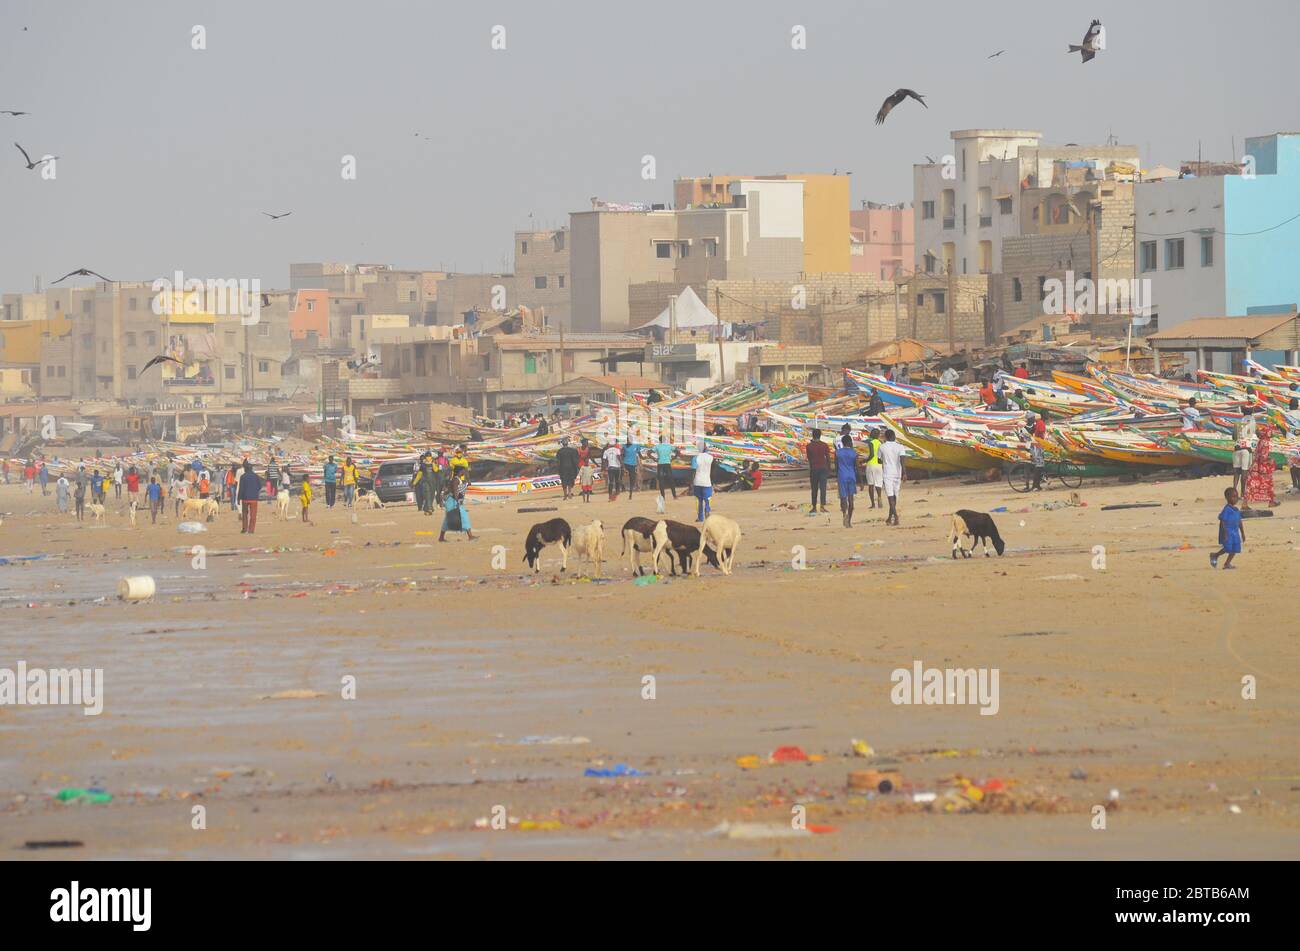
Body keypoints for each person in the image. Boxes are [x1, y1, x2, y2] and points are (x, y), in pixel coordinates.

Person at [1209, 486, 1244, 569]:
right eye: (1233, 496)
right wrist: (1224, 533)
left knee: (1235, 549)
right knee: (1228, 548)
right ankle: (1215, 555)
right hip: (1228, 532)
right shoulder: (1227, 509)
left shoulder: (1236, 509)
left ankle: (1227, 563)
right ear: (1227, 498)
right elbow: (1223, 521)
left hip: (1235, 532)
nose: (1236, 499)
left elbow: (1239, 521)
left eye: (1236, 496)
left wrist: (1242, 533)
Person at [1244, 424, 1278, 508]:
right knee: (1268, 484)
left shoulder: (1260, 441)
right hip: (1263, 468)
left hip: (1256, 466)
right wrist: (1271, 460)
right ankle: (1271, 502)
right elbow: (1264, 456)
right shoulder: (1266, 442)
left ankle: (1245, 503)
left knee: (1251, 485)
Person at [878, 429, 906, 526]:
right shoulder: (900, 446)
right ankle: (890, 518)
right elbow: (902, 460)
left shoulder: (882, 447)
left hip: (887, 473)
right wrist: (905, 473)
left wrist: (885, 461)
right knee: (895, 496)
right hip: (897, 473)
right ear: (894, 436)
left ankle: (895, 517)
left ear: (886, 437)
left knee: (890, 497)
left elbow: (879, 460)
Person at [438, 476, 474, 542]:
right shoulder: (454, 479)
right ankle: (470, 536)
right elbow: (454, 491)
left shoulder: (452, 479)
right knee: (463, 516)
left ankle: (441, 537)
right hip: (453, 501)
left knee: (448, 519)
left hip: (451, 501)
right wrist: (457, 502)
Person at [835, 434, 860, 528]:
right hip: (851, 476)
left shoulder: (838, 452)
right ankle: (849, 520)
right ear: (850, 442)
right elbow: (857, 467)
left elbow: (837, 467)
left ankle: (844, 514)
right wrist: (861, 481)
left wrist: (837, 477)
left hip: (842, 476)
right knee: (851, 500)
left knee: (843, 498)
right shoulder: (854, 452)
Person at [805, 428, 831, 514]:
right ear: (820, 435)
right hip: (823, 468)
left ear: (813, 435)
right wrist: (829, 469)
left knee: (814, 488)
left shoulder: (809, 446)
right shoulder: (824, 445)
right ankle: (822, 506)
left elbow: (809, 458)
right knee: (823, 488)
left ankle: (814, 507)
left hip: (814, 468)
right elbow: (828, 458)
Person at [1231, 408, 1256, 496]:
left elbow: (1233, 437)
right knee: (1244, 472)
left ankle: (1234, 492)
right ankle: (1242, 493)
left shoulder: (1238, 423)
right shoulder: (1253, 423)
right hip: (1246, 449)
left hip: (1237, 448)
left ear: (1243, 414)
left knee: (1236, 472)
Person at [691, 442, 714, 522]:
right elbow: (712, 469)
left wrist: (691, 483)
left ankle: (700, 517)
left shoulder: (695, 458)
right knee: (708, 498)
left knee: (698, 500)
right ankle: (707, 511)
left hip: (697, 481)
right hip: (707, 481)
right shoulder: (711, 457)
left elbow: (693, 471)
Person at [238, 461, 262, 534]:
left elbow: (241, 488)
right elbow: (260, 486)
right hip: (254, 498)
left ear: (246, 469)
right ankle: (251, 530)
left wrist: (238, 498)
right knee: (253, 515)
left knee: (245, 514)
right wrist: (255, 491)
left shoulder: (243, 476)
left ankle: (244, 529)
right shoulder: (256, 476)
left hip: (245, 498)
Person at [863, 427, 884, 509]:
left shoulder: (871, 443)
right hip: (879, 465)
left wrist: (864, 461)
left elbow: (871, 455)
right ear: (878, 435)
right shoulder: (880, 443)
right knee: (878, 483)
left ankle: (873, 504)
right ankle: (879, 497)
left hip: (871, 465)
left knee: (871, 485)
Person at [654, 434, 677, 499]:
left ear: (659, 440)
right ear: (665, 440)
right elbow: (678, 452)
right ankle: (674, 495)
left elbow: (648, 452)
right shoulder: (669, 446)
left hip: (660, 464)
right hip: (667, 463)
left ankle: (663, 497)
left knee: (661, 481)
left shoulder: (657, 446)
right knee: (671, 480)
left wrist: (654, 458)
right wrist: (673, 458)